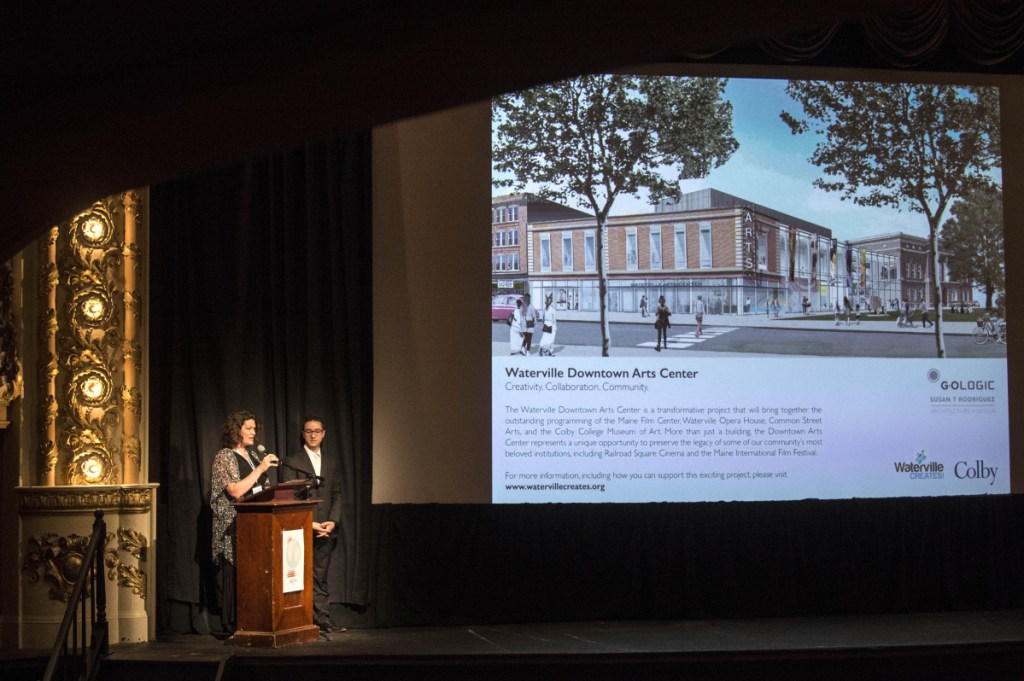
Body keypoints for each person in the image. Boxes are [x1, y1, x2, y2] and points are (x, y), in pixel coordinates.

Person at [210, 410, 279, 636]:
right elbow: (235, 490)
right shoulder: (225, 456)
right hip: (233, 528)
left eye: (254, 428)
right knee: (235, 577)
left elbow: (264, 490)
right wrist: (260, 469)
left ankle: (253, 621)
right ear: (236, 430)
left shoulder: (253, 456)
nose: (253, 432)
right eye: (248, 428)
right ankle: (234, 626)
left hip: (255, 526)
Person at [279, 416, 345, 636]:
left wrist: (333, 521)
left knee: (320, 575)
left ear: (324, 434)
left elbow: (337, 494)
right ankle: (297, 619)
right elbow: (290, 496)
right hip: (301, 527)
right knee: (295, 574)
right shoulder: (292, 461)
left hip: (325, 527)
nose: (313, 434)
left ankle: (322, 619)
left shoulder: (332, 462)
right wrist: (310, 523)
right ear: (303, 434)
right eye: (309, 431)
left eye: (317, 431)